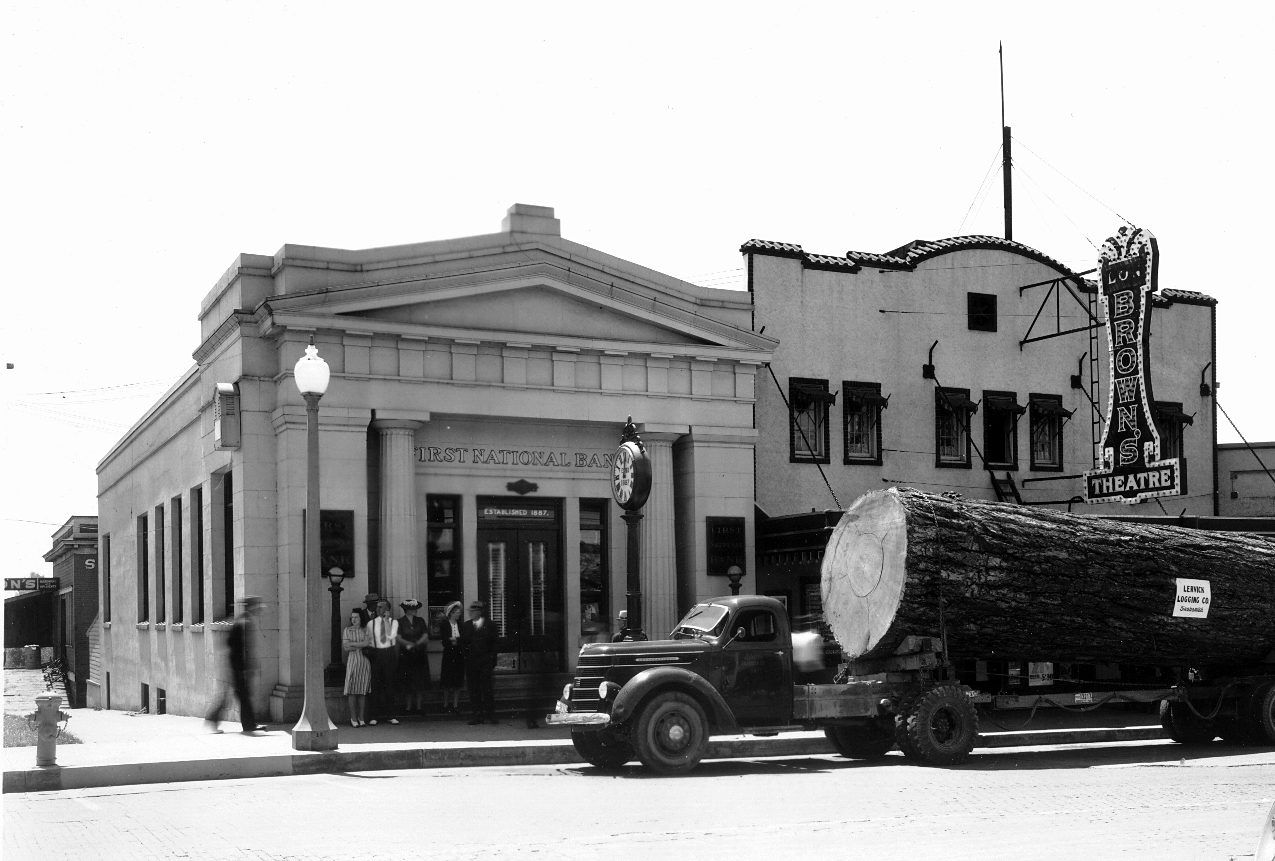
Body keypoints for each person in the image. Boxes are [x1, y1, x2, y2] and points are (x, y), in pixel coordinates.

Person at [206, 596, 266, 734]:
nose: (260, 609)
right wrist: (244, 668)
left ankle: (246, 724)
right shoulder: (244, 622)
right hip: (238, 668)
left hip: (236, 667)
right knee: (242, 696)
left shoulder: (243, 621)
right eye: (258, 606)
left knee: (240, 696)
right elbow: (238, 647)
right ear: (253, 607)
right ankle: (246, 724)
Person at [460, 599, 498, 725]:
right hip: (471, 662)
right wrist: (466, 658)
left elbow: (494, 644)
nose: (472, 613)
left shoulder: (490, 625)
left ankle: (491, 715)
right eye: (471, 611)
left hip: (485, 661)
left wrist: (492, 660)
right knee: (474, 690)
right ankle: (477, 715)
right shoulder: (466, 625)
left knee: (487, 689)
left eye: (474, 611)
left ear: (480, 612)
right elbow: (463, 644)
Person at [365, 598, 400, 725]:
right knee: (375, 685)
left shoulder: (393, 622)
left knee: (389, 685)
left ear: (387, 609)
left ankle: (391, 715)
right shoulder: (371, 623)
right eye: (378, 607)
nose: (378, 609)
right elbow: (368, 640)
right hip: (376, 654)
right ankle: (374, 716)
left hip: (389, 654)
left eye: (382, 607)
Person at [397, 598, 431, 715]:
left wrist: (417, 643)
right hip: (406, 655)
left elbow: (426, 635)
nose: (415, 610)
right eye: (413, 609)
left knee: (419, 681)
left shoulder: (420, 620)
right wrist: (408, 644)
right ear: (407, 610)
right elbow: (398, 637)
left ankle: (419, 707)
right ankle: (408, 707)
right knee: (408, 681)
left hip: (419, 654)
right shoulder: (400, 621)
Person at [342, 607, 372, 727]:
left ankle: (361, 717)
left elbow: (366, 643)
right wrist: (359, 645)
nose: (354, 620)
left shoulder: (366, 630)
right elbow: (345, 647)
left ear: (361, 618)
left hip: (364, 662)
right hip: (353, 661)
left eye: (356, 617)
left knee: (362, 691)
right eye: (352, 617)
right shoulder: (347, 630)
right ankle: (353, 718)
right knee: (352, 691)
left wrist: (353, 644)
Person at [437, 600, 465, 716]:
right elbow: (445, 640)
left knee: (457, 681)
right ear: (451, 613)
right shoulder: (444, 625)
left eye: (459, 612)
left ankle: (455, 704)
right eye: (457, 612)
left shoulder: (461, 625)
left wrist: (455, 640)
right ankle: (445, 704)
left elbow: (463, 640)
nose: (458, 614)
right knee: (447, 680)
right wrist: (453, 641)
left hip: (458, 655)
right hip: (448, 654)